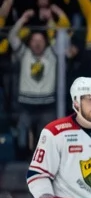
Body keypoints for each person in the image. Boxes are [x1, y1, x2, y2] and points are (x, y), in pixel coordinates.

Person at [8, 10, 59, 152]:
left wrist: (50, 20)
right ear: (30, 42)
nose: (37, 44)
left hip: (47, 104)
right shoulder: (24, 53)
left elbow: (60, 38)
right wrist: (22, 20)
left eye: (40, 41)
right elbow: (12, 36)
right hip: (26, 103)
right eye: (34, 41)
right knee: (22, 135)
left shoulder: (52, 54)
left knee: (48, 138)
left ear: (45, 42)